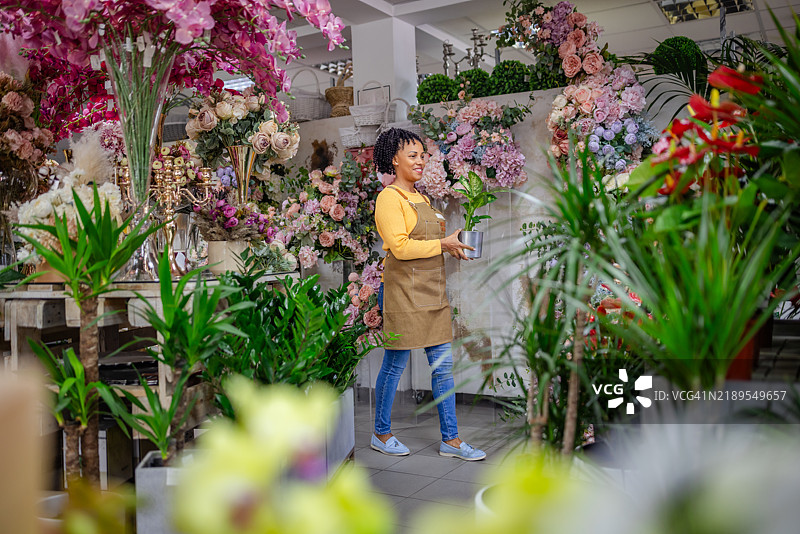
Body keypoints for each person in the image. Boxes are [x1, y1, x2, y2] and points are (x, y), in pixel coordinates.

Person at [370, 127, 486, 461]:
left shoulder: (423, 198)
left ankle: (451, 440)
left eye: (423, 155)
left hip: (433, 292)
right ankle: (381, 433)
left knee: (442, 368)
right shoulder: (389, 198)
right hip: (404, 293)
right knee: (395, 365)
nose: (421, 161)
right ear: (394, 159)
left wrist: (451, 247)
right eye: (413, 155)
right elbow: (401, 248)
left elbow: (426, 246)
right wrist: (443, 243)